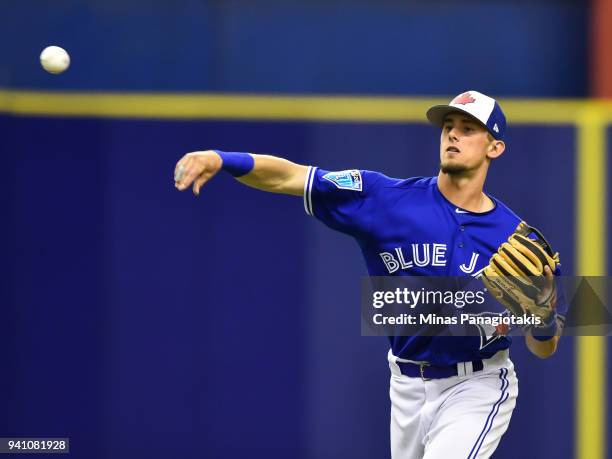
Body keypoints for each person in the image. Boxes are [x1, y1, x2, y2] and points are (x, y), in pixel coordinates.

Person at [173, 90, 563, 458]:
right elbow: (292, 177)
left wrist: (544, 316)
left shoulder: (515, 238)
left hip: (477, 385)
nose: (454, 136)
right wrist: (221, 159)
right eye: (448, 127)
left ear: (495, 147)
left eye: (468, 129)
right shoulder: (384, 199)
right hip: (406, 385)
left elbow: (544, 347)